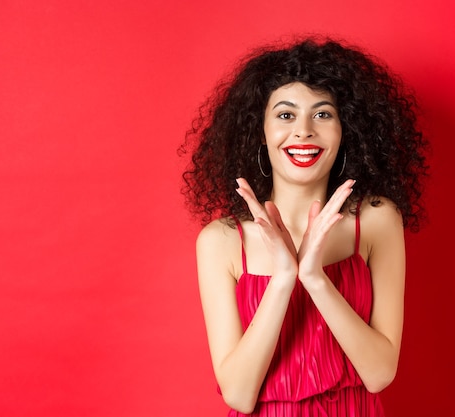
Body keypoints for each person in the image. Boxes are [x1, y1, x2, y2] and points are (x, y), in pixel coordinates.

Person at [180, 37, 428, 416]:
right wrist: (283, 279)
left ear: (347, 130)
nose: (304, 131)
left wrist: (314, 278)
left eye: (323, 114)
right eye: (285, 115)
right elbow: (239, 395)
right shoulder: (221, 241)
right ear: (259, 132)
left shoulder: (377, 220)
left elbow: (379, 374)